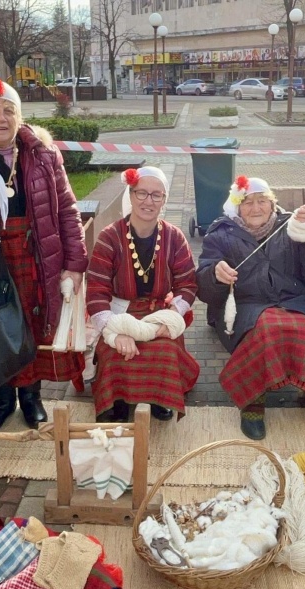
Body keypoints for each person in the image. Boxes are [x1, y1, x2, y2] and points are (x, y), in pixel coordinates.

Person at [0, 78, 88, 431]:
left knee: (33, 325)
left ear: (20, 117)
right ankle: (2, 399)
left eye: (9, 110)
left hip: (36, 254)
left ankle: (31, 397)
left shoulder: (42, 153)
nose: (1, 117)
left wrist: (74, 264)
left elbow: (68, 209)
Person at [196, 176, 305, 440]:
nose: (256, 208)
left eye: (262, 201)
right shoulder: (220, 234)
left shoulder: (291, 226)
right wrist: (214, 274)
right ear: (236, 207)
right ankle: (254, 399)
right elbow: (205, 290)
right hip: (246, 306)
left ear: (272, 203)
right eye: (248, 202)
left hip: (297, 301)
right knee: (268, 327)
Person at [87, 167, 200, 422]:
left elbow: (187, 284)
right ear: (131, 194)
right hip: (120, 312)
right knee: (115, 351)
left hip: (159, 313)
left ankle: (160, 396)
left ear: (164, 200)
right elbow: (96, 289)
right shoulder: (109, 237)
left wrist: (169, 319)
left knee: (164, 350)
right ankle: (116, 399)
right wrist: (116, 331)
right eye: (142, 193)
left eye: (156, 195)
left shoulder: (174, 237)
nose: (148, 201)